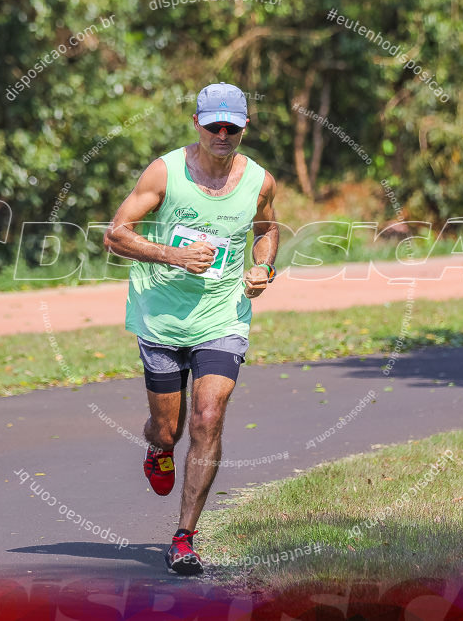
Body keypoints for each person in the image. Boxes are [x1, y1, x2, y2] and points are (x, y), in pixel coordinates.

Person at [104, 82, 279, 575]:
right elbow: (116, 234)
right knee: (168, 428)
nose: (222, 135)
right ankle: (158, 451)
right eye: (214, 126)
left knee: (208, 416)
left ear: (245, 127)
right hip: (160, 318)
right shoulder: (166, 171)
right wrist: (174, 255)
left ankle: (185, 538)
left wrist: (263, 268)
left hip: (222, 316)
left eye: (232, 127)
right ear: (197, 124)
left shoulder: (260, 181)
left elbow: (267, 230)